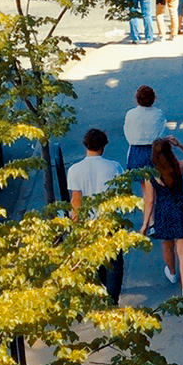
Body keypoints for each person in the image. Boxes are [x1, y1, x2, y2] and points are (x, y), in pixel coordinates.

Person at [66, 127, 125, 304]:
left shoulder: (75, 170)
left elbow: (76, 200)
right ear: (103, 146)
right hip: (110, 220)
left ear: (85, 145)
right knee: (114, 261)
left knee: (94, 260)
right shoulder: (114, 167)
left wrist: (75, 224)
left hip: (88, 222)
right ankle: (112, 298)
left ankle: (100, 291)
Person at [141, 136, 183, 291]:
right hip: (180, 209)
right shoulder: (178, 167)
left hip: (163, 212)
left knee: (167, 245)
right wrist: (180, 144)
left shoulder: (151, 175)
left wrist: (145, 224)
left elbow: (150, 201)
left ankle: (172, 273)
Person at [122, 84, 166, 181]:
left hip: (136, 150)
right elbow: (162, 132)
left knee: (142, 181)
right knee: (157, 181)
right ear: (153, 98)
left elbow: (127, 131)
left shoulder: (130, 114)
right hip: (154, 150)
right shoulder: (158, 113)